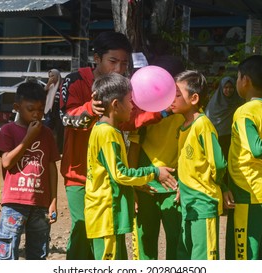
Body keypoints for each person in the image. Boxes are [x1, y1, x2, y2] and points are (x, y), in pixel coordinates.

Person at [84, 73, 177, 260]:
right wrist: (154, 172)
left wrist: (137, 184)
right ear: (116, 105)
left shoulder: (107, 130)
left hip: (108, 214)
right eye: (130, 101)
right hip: (106, 213)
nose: (133, 106)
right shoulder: (107, 134)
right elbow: (120, 174)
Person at [58, 31, 133, 260]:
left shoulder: (125, 86)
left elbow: (133, 120)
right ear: (96, 58)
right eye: (113, 61)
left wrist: (160, 112)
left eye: (124, 63)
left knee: (113, 234)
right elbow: (64, 118)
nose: (119, 69)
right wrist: (90, 109)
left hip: (112, 176)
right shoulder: (74, 80)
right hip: (79, 174)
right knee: (82, 230)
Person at [0, 81, 60, 260]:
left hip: (40, 204)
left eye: (40, 110)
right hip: (14, 203)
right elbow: (7, 161)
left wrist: (53, 200)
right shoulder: (8, 130)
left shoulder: (47, 133)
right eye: (31, 109)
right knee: (7, 251)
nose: (37, 114)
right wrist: (29, 137)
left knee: (38, 252)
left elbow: (51, 167)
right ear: (17, 107)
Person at [128, 57, 185, 260]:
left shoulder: (189, 113)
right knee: (145, 244)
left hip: (175, 186)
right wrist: (134, 186)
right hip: (146, 186)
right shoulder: (145, 108)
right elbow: (134, 146)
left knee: (177, 242)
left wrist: (185, 184)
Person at [225, 55, 262, 260]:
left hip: (248, 189)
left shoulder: (245, 112)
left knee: (244, 253)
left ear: (245, 80)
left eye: (238, 77)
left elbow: (257, 149)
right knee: (257, 251)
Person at [170, 70, 227, 260]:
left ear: (194, 98)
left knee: (204, 257)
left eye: (177, 94)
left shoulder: (203, 124)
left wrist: (214, 184)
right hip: (188, 202)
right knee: (185, 252)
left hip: (203, 202)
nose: (172, 98)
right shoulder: (183, 127)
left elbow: (218, 164)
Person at [205, 76, 244, 174]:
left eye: (231, 87)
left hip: (233, 137)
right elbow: (209, 120)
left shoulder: (239, 101)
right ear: (221, 89)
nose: (228, 90)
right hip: (217, 137)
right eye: (225, 87)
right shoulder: (214, 103)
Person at [44, 69, 64, 154]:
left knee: (60, 132)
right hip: (50, 111)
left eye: (53, 76)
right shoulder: (50, 86)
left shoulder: (63, 86)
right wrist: (48, 84)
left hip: (59, 111)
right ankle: (45, 147)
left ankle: (59, 151)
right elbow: (42, 93)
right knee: (46, 130)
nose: (51, 78)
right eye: (49, 76)